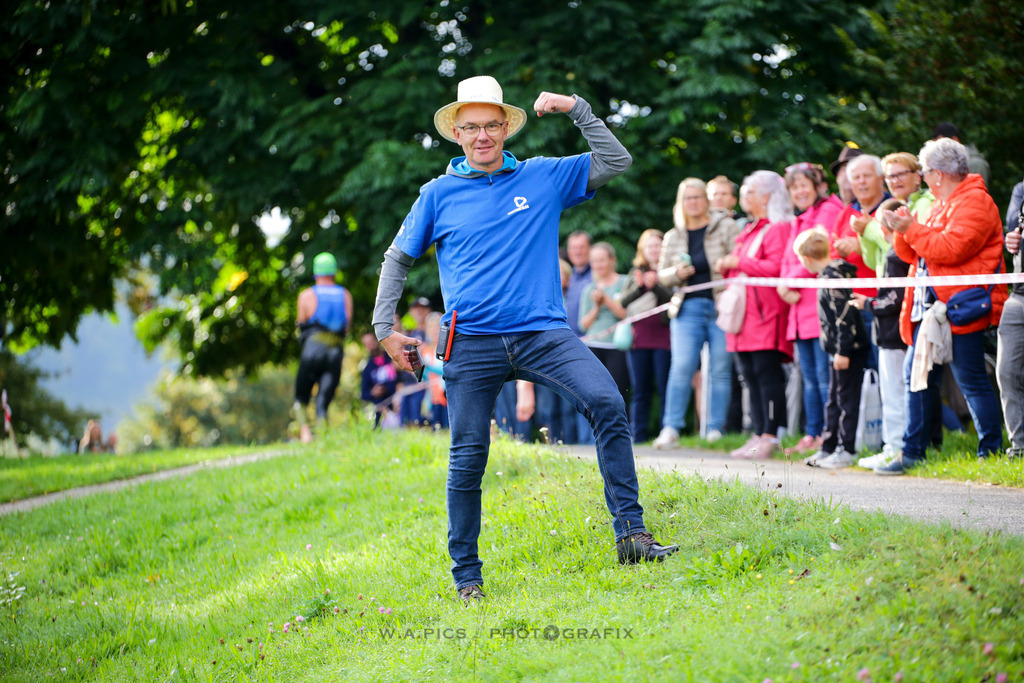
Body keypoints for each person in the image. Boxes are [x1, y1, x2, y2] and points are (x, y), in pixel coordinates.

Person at [370, 75, 678, 603]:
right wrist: (384, 328)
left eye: (492, 124)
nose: (483, 135)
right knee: (468, 455)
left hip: (543, 334)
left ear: (507, 126)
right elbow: (398, 258)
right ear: (458, 134)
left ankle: (631, 534)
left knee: (607, 402)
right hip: (470, 343)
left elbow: (616, 161)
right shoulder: (437, 194)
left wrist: (577, 107)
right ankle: (467, 577)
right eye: (471, 127)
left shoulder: (543, 177)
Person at [881, 137, 1006, 474]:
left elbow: (950, 249)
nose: (922, 177)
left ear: (938, 173)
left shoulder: (976, 202)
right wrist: (901, 229)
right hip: (936, 308)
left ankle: (990, 451)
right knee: (917, 377)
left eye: (923, 171)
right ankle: (913, 454)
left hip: (964, 305)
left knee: (970, 379)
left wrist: (913, 227)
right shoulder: (940, 202)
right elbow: (916, 254)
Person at [653, 178, 740, 448]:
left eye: (697, 197)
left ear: (706, 199)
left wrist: (723, 266)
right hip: (687, 307)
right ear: (681, 202)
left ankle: (715, 429)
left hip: (721, 305)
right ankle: (671, 429)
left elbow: (739, 259)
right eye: (687, 198)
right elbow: (661, 275)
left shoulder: (726, 226)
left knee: (720, 369)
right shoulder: (673, 235)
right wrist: (675, 274)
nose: (693, 202)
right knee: (681, 368)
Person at [715, 171, 793, 460]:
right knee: (749, 374)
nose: (745, 197)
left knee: (766, 374)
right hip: (744, 317)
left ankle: (771, 434)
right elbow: (745, 267)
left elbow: (775, 267)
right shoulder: (750, 228)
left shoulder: (777, 228)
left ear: (767, 196)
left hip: (765, 313)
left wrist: (738, 261)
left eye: (750, 192)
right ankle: (759, 432)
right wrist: (729, 264)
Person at [778, 162, 844, 455]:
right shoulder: (800, 218)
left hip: (819, 308)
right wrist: (785, 285)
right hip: (800, 309)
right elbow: (788, 260)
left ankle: (828, 434)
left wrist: (787, 283)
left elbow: (820, 255)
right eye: (794, 187)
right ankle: (812, 433)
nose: (799, 191)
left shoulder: (828, 211)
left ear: (818, 185)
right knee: (810, 377)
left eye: (804, 185)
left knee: (823, 377)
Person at [795, 229, 870, 469]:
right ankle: (828, 446)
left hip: (848, 350)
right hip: (836, 350)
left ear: (806, 259)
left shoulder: (833, 279)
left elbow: (844, 318)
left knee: (846, 399)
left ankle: (846, 449)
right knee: (833, 399)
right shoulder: (828, 277)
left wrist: (843, 351)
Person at [832, 155, 888, 370]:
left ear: (880, 179)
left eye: (867, 176)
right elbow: (831, 251)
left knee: (886, 374)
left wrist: (859, 245)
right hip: (851, 307)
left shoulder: (891, 207)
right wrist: (839, 251)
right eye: (856, 177)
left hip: (880, 303)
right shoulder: (846, 212)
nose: (861, 182)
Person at [619, 229, 672, 443]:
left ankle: (665, 432)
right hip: (639, 338)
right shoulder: (635, 273)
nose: (654, 250)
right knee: (640, 389)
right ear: (643, 249)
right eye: (650, 246)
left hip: (664, 338)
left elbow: (675, 300)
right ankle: (637, 435)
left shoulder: (670, 271)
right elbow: (623, 301)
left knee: (664, 387)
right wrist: (642, 287)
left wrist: (656, 286)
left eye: (658, 245)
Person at [294, 252, 352, 443]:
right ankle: (322, 433)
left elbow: (301, 322)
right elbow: (347, 327)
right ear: (334, 272)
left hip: (312, 349)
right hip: (335, 351)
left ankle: (305, 433)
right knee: (324, 397)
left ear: (316, 273)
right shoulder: (345, 295)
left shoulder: (306, 295)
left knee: (301, 396)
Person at [578, 242, 631, 443]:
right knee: (592, 392)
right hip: (593, 345)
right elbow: (584, 324)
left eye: (601, 260)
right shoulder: (588, 289)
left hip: (617, 345)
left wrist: (606, 300)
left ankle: (620, 435)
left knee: (618, 391)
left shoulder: (625, 282)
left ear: (612, 260)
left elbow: (625, 314)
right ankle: (593, 437)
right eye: (594, 261)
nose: (598, 265)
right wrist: (597, 306)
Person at [998, 177, 1024, 458]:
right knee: (1007, 372)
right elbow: (1013, 230)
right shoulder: (1021, 189)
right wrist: (1012, 239)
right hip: (1018, 295)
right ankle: (1020, 447)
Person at [931, 122, 991, 189]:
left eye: (941, 144)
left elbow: (979, 194)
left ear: (955, 140)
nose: (937, 149)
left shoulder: (976, 163)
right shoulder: (944, 165)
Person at [360, 332, 399, 429]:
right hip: (382, 411)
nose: (371, 345)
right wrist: (373, 393)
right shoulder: (368, 369)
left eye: (371, 341)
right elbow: (363, 394)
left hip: (399, 402)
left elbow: (403, 378)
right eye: (367, 344)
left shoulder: (392, 357)